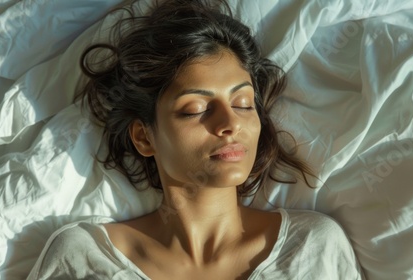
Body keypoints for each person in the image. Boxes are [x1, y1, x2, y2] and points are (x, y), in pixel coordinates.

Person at [28, 0, 364, 279]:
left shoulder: (313, 248)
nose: (230, 122)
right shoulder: (84, 257)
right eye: (196, 109)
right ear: (145, 137)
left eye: (243, 104)